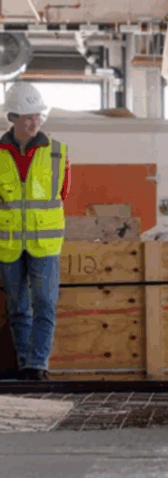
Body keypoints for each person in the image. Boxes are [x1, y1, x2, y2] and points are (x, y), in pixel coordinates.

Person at [0, 81, 71, 381]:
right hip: (9, 245)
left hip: (45, 244)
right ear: (13, 117)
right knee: (18, 309)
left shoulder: (58, 152)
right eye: (28, 116)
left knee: (45, 305)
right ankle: (24, 363)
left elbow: (63, 192)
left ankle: (38, 365)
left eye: (38, 116)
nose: (35, 122)